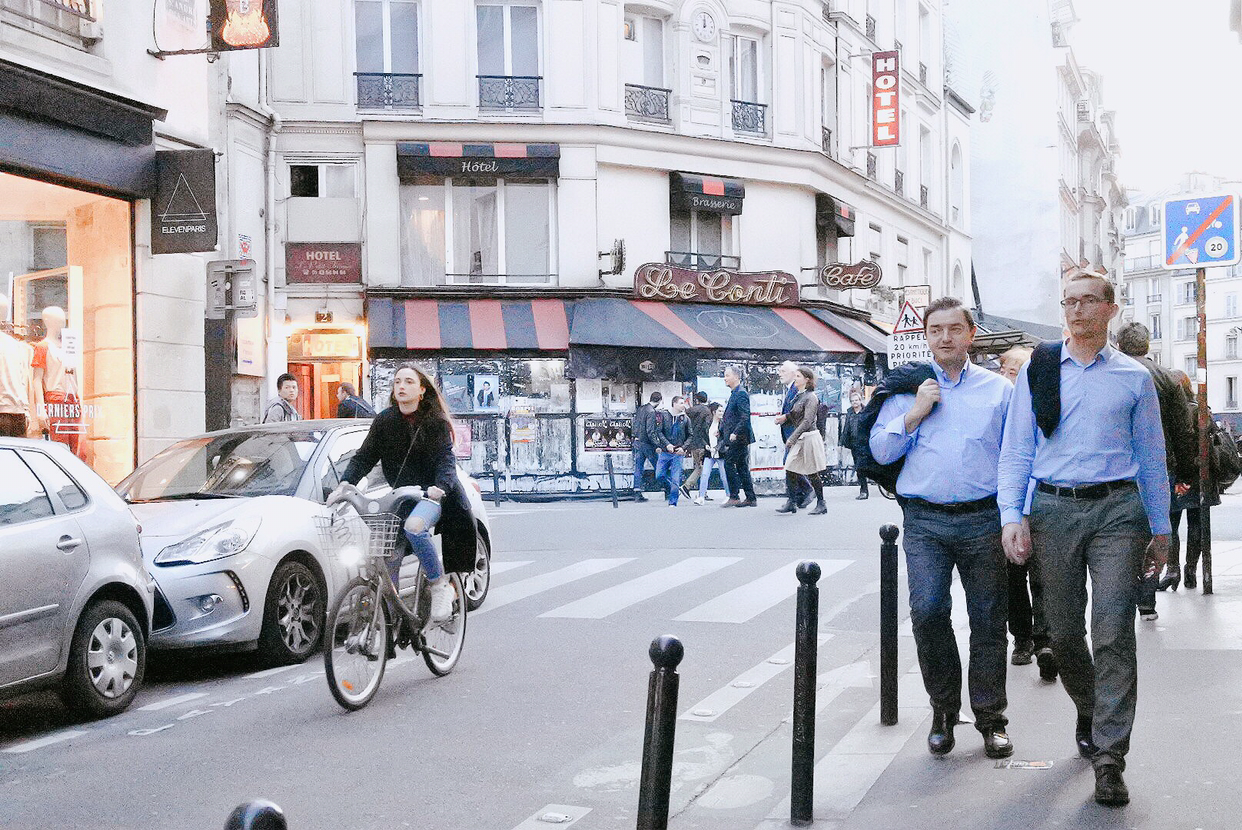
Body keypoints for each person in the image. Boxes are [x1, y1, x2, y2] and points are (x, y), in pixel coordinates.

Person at [998, 271, 1170, 808]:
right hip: (1052, 509)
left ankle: (1110, 756)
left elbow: (1152, 455)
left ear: (1110, 309)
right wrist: (1012, 515)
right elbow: (1017, 447)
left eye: (1088, 301)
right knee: (1064, 634)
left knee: (1113, 630)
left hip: (1119, 511)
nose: (1076, 310)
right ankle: (1092, 708)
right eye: (1069, 301)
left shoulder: (1133, 378)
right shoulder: (1041, 369)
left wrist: (1161, 527)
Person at [869, 296, 1015, 761]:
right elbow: (880, 450)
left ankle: (991, 718)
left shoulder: (999, 390)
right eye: (936, 331)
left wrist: (1017, 516)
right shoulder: (907, 388)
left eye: (954, 329)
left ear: (971, 335)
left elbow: (1017, 455)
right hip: (925, 520)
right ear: (926, 337)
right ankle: (944, 709)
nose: (945, 338)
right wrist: (914, 413)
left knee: (988, 619)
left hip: (983, 517)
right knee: (928, 612)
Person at [334, 364, 474, 622]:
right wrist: (345, 484)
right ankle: (390, 618)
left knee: (414, 527)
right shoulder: (385, 420)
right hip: (401, 497)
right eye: (398, 381)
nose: (401, 386)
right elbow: (364, 457)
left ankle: (439, 585)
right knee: (386, 553)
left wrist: (440, 487)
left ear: (422, 390)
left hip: (430, 495)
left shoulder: (435, 422)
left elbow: (445, 459)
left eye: (409, 382)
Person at [1117, 322, 1197, 620]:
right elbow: (1183, 430)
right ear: (1147, 345)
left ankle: (1122, 596)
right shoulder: (1166, 378)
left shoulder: (1115, 372)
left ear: (1120, 345)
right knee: (1157, 528)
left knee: (1121, 533)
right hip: (1162, 465)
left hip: (1121, 468)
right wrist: (1186, 474)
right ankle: (1147, 600)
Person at [993, 347, 1049, 671]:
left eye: (1012, 372)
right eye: (1004, 371)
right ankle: (1023, 639)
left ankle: (1045, 641)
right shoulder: (1001, 408)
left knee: (1043, 578)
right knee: (1013, 579)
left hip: (1039, 504)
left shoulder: (1040, 406)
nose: (1006, 377)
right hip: (1010, 507)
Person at [1166, 370, 1220, 591]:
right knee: (1196, 523)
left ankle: (1173, 570)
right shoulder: (1200, 409)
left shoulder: (1169, 411)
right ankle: (1191, 571)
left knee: (1171, 523)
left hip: (1177, 474)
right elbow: (1213, 437)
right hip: (1199, 474)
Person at [776, 367, 827, 515]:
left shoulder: (811, 397)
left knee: (812, 472)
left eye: (798, 376)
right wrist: (784, 418)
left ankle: (821, 503)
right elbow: (794, 413)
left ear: (807, 379)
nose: (795, 379)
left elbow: (807, 421)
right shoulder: (800, 395)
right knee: (790, 466)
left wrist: (792, 438)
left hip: (809, 437)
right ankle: (791, 502)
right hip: (801, 437)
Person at [32, 306, 81, 455]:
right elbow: (37, 379)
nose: (62, 321)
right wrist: (41, 409)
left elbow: (73, 375)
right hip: (55, 399)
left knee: (78, 447)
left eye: (62, 318)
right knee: (59, 445)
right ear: (47, 321)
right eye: (57, 319)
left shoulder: (69, 346)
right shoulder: (42, 347)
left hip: (73, 400)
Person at [774, 361, 812, 507]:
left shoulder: (796, 389)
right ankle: (797, 497)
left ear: (793, 373)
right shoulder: (791, 389)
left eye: (783, 371)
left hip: (795, 434)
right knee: (792, 465)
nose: (780, 374)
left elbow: (799, 412)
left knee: (790, 464)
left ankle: (805, 490)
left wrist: (785, 417)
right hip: (791, 434)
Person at [720, 365, 757, 507]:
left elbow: (744, 416)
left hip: (739, 437)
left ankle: (734, 496)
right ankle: (750, 497)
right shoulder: (735, 393)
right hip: (738, 437)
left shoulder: (741, 393)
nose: (725, 378)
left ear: (736, 377)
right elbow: (731, 416)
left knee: (729, 463)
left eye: (727, 375)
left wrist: (735, 432)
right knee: (742, 466)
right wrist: (721, 430)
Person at [0, 296, 33, 439]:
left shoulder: (17, 345)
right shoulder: (16, 345)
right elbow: (22, 380)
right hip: (18, 413)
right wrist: (26, 411)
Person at [653, 395, 690, 506]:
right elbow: (659, 431)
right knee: (659, 475)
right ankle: (674, 488)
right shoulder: (664, 415)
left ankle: (673, 502)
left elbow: (690, 435)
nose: (683, 405)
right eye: (681, 403)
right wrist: (667, 444)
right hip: (665, 451)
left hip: (678, 452)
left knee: (676, 478)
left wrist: (683, 447)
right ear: (674, 404)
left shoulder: (685, 418)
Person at [693, 403, 730, 505]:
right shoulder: (707, 423)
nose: (721, 413)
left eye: (722, 411)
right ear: (714, 412)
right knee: (705, 474)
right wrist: (706, 445)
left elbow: (725, 439)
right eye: (719, 411)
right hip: (709, 453)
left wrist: (717, 447)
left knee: (724, 476)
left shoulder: (724, 424)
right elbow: (702, 436)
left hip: (721, 453)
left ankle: (728, 495)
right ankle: (701, 497)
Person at [838, 388, 870, 499]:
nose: (854, 402)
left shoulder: (866, 412)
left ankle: (865, 489)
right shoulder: (850, 413)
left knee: (864, 466)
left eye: (856, 400)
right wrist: (842, 442)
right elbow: (846, 428)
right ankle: (864, 490)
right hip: (854, 444)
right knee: (859, 467)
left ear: (860, 400)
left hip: (865, 443)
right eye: (852, 401)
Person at [631, 391, 662, 502]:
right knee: (659, 466)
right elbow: (650, 431)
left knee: (638, 468)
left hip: (638, 442)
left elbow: (635, 425)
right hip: (647, 444)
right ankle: (669, 487)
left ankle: (637, 492)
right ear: (659, 401)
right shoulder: (651, 412)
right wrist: (657, 444)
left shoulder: (641, 409)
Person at [681, 391, 712, 498]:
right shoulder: (707, 412)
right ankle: (687, 486)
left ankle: (703, 493)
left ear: (697, 400)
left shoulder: (690, 411)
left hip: (693, 443)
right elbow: (706, 428)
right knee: (702, 468)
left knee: (700, 467)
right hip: (703, 443)